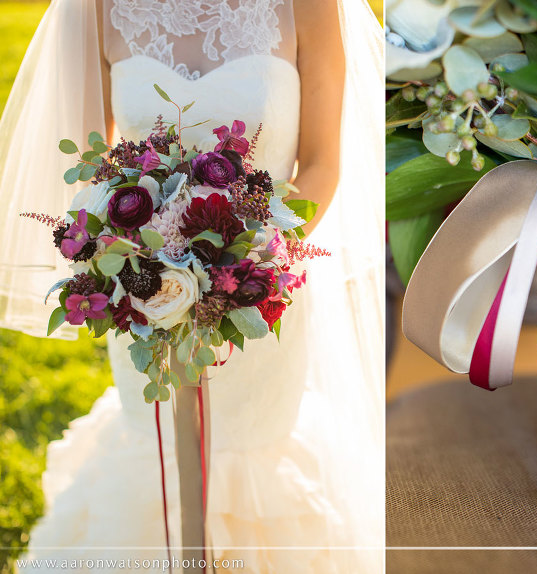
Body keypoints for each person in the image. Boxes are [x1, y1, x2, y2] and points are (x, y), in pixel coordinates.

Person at [0, 1, 383, 572]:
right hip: (146, 292)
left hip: (258, 289)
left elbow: (324, 162)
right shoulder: (96, 8)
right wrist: (134, 258)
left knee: (255, 447)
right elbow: (87, 162)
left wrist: (254, 257)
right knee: (157, 448)